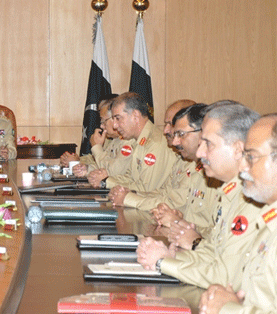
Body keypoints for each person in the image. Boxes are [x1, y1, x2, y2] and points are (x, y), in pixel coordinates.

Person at [137, 101, 262, 290]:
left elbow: (227, 277)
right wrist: (172, 255)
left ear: (238, 149)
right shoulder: (229, 193)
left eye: (208, 144)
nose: (201, 151)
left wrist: (164, 262)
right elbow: (214, 253)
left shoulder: (253, 199)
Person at [199, 114, 277, 314]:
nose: (242, 166)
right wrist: (229, 299)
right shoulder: (269, 219)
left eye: (251, 157)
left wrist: (228, 310)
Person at [151, 104, 221, 244]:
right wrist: (177, 217)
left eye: (181, 134)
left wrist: (178, 222)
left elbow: (220, 240)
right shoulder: (198, 171)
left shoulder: (226, 180)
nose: (175, 142)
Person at [101, 92, 175, 196]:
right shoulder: (138, 140)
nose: (115, 125)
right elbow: (130, 177)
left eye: (118, 118)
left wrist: (106, 182)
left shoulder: (154, 143)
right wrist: (106, 181)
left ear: (135, 116)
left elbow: (146, 190)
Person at [69, 95, 132, 183]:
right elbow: (102, 164)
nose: (102, 126)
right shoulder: (114, 139)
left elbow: (112, 171)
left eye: (103, 121)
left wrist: (96, 146)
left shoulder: (129, 141)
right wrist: (86, 169)